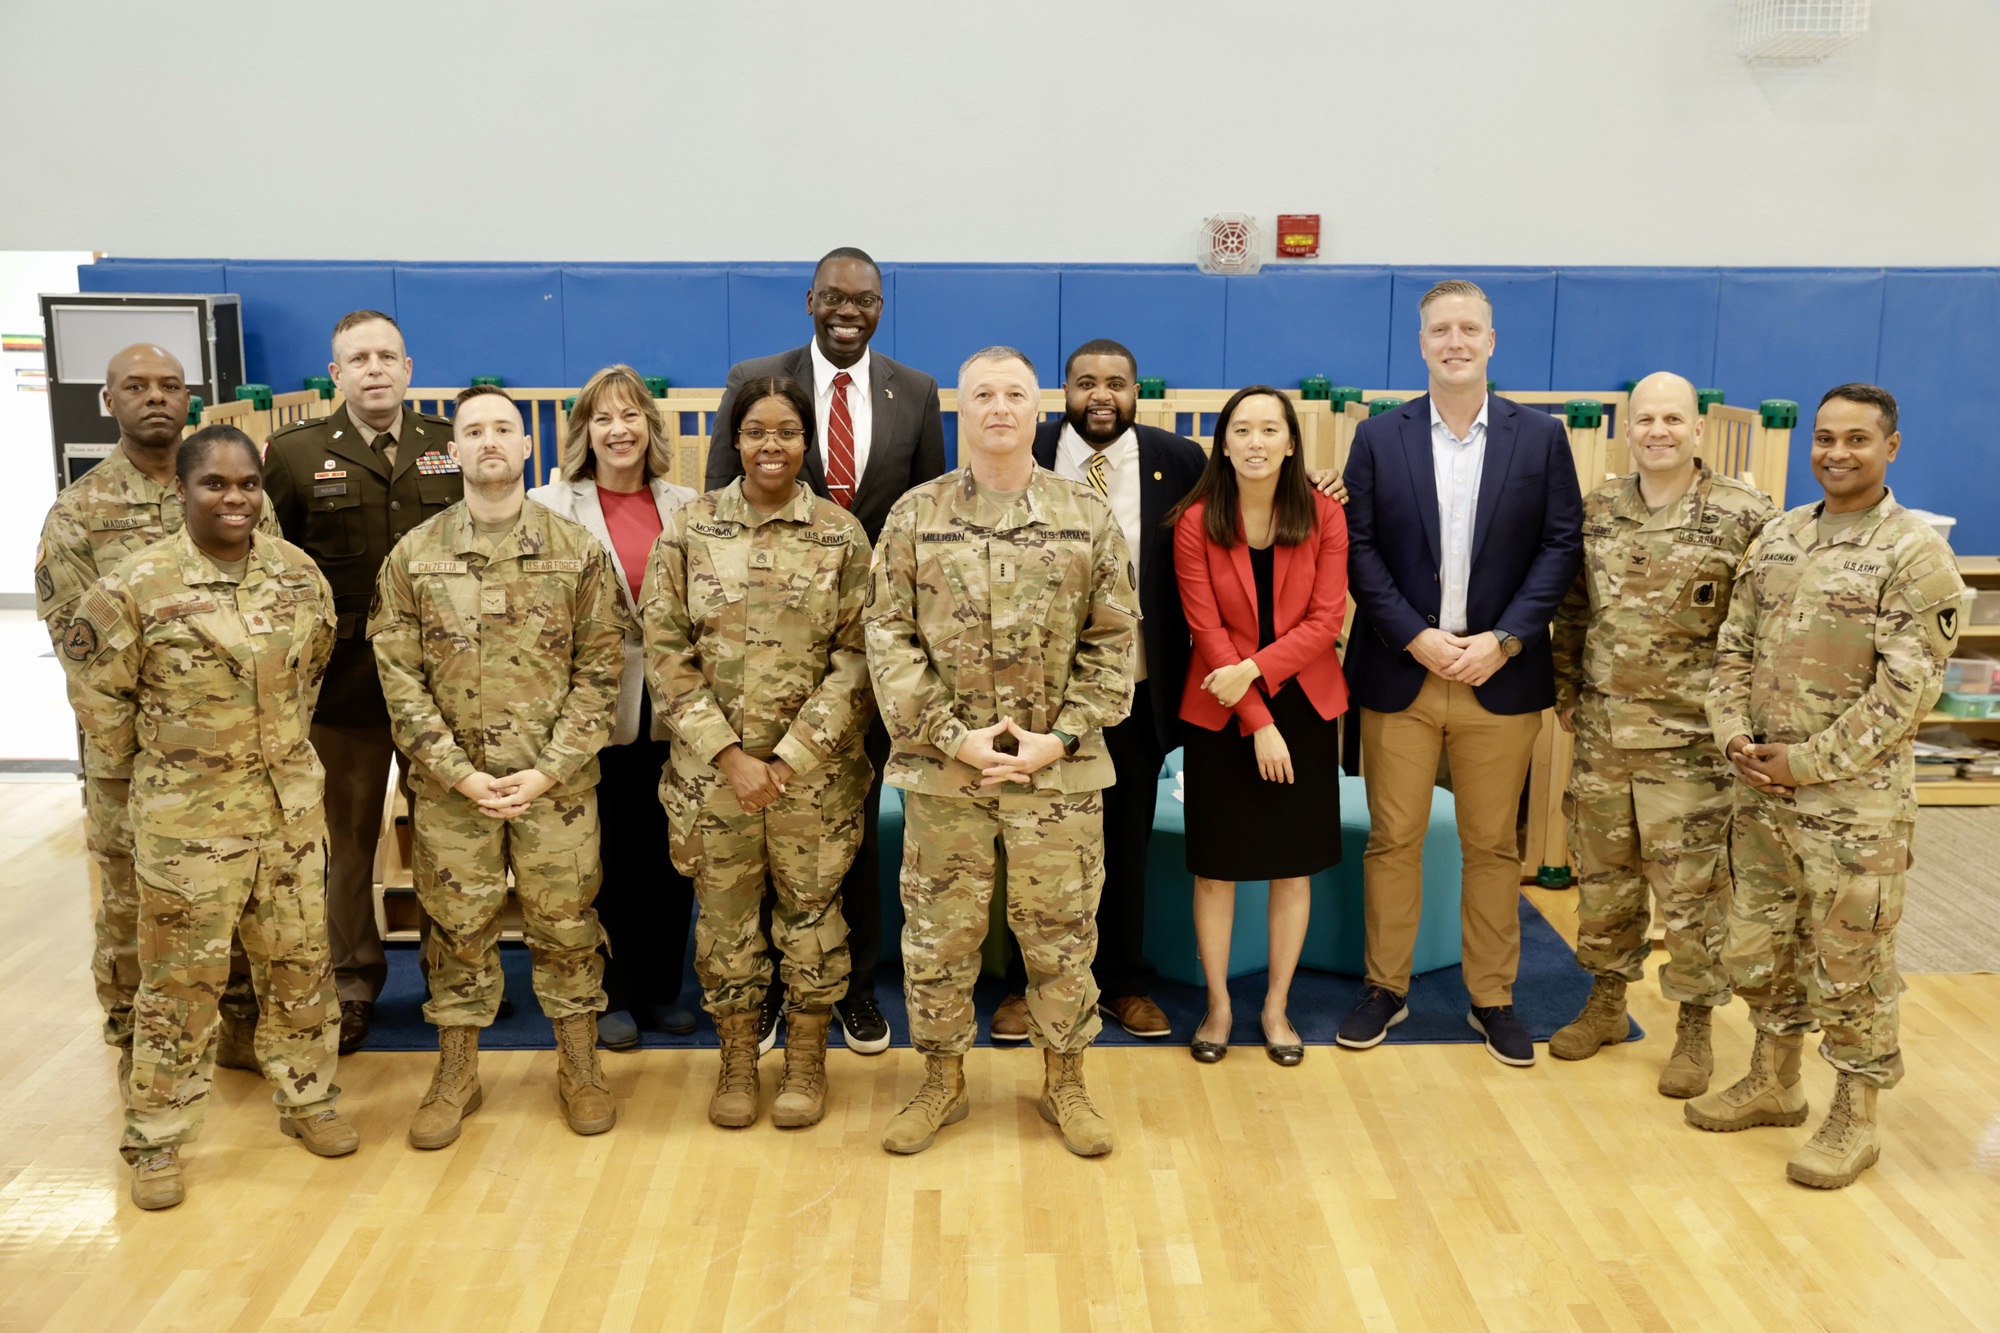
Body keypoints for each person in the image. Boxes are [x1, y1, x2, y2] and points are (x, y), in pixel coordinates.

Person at [992, 342, 1352, 1043]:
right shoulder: (1018, 450)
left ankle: (1123, 981)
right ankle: (1022, 985)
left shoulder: (1175, 461)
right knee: (1029, 842)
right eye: (1086, 382)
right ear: (1061, 391)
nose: (1102, 394)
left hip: (1135, 686)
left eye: (1117, 383)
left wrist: (1320, 482)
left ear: (1137, 393)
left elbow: (1303, 592)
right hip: (1034, 692)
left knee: (1126, 841)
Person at [65, 425, 354, 1210]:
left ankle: (308, 1099)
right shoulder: (137, 585)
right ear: (183, 491)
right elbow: (100, 700)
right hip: (189, 827)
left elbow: (312, 672)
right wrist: (174, 767)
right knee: (180, 985)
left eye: (248, 485)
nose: (235, 499)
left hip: (289, 814)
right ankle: (156, 1138)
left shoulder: (297, 575)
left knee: (299, 968)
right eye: (215, 485)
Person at [865, 346, 1138, 1157]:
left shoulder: (1085, 513)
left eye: (1014, 393)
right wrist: (953, 735)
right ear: (960, 408)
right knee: (939, 932)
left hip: (1057, 770)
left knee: (1061, 932)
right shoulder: (916, 513)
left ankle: (1066, 1083)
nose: (998, 407)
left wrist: (1061, 735)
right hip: (947, 770)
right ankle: (941, 1081)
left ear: (1036, 406)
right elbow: (887, 635)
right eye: (982, 393)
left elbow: (1117, 636)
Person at [1690, 383, 1962, 1190]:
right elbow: (1731, 648)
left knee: (1851, 961)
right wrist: (1734, 733)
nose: (1836, 453)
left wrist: (1803, 761)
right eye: (1825, 438)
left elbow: (1907, 694)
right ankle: (1775, 1079)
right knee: (1759, 945)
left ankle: (1855, 1114)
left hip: (1854, 809)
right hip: (1761, 794)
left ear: (1891, 447)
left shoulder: (1915, 552)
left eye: (1856, 439)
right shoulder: (1779, 537)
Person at [368, 385, 629, 1148]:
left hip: (559, 790)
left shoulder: (577, 552)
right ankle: (457, 1071)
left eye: (503, 429)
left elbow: (600, 672)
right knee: (456, 928)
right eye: (473, 430)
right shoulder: (414, 556)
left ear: (527, 450)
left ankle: (578, 1063)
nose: (488, 441)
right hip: (456, 792)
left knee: (567, 924)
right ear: (455, 451)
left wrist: (548, 770)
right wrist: (457, 772)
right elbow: (399, 676)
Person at [705, 247, 947, 1056]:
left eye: (866, 299)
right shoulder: (756, 375)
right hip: (758, 656)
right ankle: (777, 993)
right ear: (810, 300)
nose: (850, 310)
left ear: (881, 307)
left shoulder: (913, 390)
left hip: (867, 657)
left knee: (855, 821)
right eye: (835, 296)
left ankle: (855, 989)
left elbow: (926, 519)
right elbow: (716, 504)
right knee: (763, 826)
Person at [1338, 279, 1584, 1066]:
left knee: (1491, 845)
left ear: (1491, 339)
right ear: (1420, 343)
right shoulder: (1379, 437)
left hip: (1498, 674)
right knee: (1393, 838)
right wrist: (1412, 635)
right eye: (1439, 328)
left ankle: (1494, 997)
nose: (1454, 340)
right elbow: (1360, 549)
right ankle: (1386, 986)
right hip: (1402, 671)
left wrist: (1506, 638)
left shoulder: (1540, 436)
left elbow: (1560, 546)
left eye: (1468, 328)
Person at [35, 344, 279, 1084]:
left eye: (170, 385)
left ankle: (234, 1026)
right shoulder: (80, 512)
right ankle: (131, 1039)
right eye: (135, 386)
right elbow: (81, 650)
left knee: (232, 893)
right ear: (108, 401)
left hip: (232, 752)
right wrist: (146, 745)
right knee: (132, 898)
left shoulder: (229, 487)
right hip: (132, 760)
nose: (155, 398)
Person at [642, 376, 874, 1129]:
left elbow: (858, 658)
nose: (770, 445)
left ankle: (806, 1058)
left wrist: (790, 759)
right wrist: (730, 756)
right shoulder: (689, 529)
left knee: (812, 920)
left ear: (807, 442)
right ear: (733, 440)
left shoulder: (841, 534)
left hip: (814, 783)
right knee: (727, 925)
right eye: (754, 431)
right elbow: (665, 650)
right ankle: (738, 1058)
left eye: (786, 432)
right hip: (714, 781)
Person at [1547, 372, 1777, 1096]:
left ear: (1698, 429)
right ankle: (1607, 1002)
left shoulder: (1744, 515)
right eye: (1645, 418)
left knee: (1692, 893)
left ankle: (1695, 1027)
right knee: (1605, 880)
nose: (1658, 431)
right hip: (1606, 736)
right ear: (1626, 429)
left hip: (1695, 748)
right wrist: (1565, 689)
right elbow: (1574, 606)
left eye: (1673, 419)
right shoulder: (1600, 509)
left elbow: (1761, 628)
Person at [265, 310, 465, 1054]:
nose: (375, 368)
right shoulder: (293, 455)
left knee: (448, 838)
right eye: (359, 358)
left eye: (387, 355)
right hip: (344, 688)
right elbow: (271, 572)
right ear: (336, 372)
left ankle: (455, 976)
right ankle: (352, 981)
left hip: (443, 688)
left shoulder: (450, 445)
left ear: (408, 369)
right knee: (346, 846)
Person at [1171, 387, 1350, 1066]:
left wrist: (1255, 678)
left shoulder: (1325, 514)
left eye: (1268, 429)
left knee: (1290, 870)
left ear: (1291, 442)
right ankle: (1219, 1003)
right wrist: (1254, 715)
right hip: (1220, 707)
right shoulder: (1195, 521)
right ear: (1223, 443)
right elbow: (1205, 626)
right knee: (1216, 870)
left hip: (1304, 703)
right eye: (1241, 429)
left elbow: (1326, 621)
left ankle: (1276, 1005)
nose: (1254, 441)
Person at [528, 365, 700, 1048]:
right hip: (591, 705)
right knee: (603, 854)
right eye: (603, 418)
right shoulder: (550, 504)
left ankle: (661, 989)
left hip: (674, 707)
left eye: (631, 415)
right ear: (585, 431)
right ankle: (612, 993)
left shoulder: (686, 501)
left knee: (670, 852)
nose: (618, 429)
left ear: (651, 428)